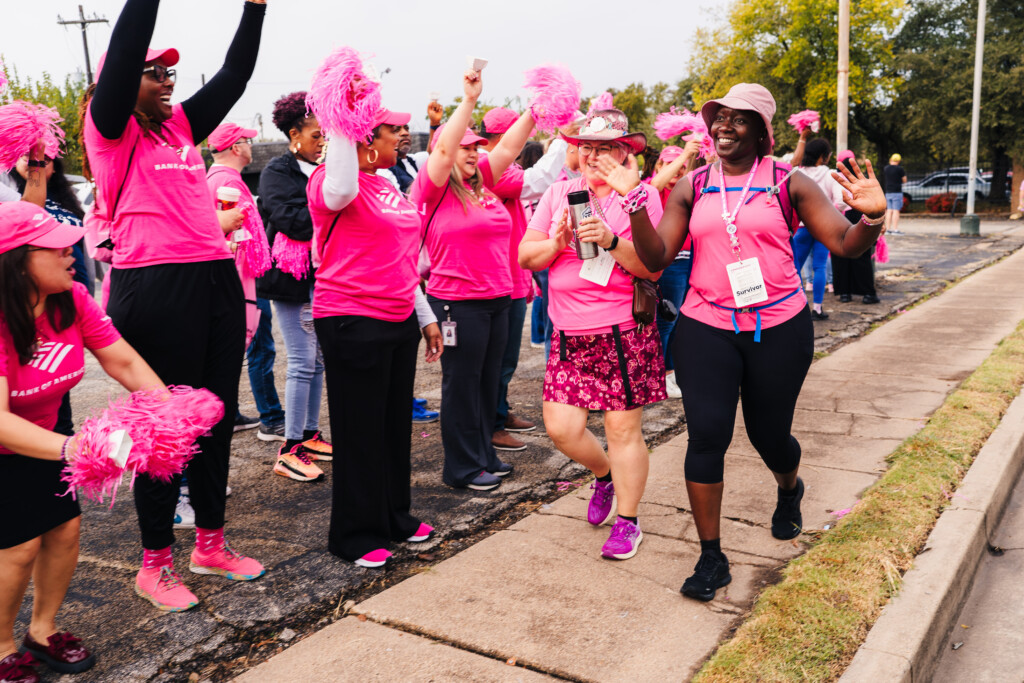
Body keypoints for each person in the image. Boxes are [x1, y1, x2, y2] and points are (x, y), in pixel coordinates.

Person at [597, 83, 886, 600]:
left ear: (761, 130)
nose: (723, 126)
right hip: (707, 325)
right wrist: (636, 203)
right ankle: (711, 557)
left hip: (777, 327)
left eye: (738, 118)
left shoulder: (788, 182)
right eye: (719, 117)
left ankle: (789, 488)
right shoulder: (693, 184)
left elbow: (845, 243)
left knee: (769, 435)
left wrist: (872, 217)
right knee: (707, 437)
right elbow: (658, 257)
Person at [81, 0, 267, 612]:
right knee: (163, 433)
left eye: (171, 74)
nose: (166, 82)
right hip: (154, 289)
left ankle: (209, 544)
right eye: (153, 72)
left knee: (213, 417)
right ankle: (154, 564)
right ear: (121, 80)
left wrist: (255, 9)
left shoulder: (180, 128)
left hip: (213, 279)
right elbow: (128, 43)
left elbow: (234, 78)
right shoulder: (110, 131)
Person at [0, 197, 167, 682]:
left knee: (65, 531)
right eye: (54, 247)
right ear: (16, 264)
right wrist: (74, 449)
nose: (73, 251)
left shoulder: (71, 299)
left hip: (48, 431)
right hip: (9, 441)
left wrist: (170, 413)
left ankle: (42, 630)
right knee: (17, 547)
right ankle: (2, 646)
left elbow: (125, 362)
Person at [519, 108, 667, 561]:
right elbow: (527, 257)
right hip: (568, 334)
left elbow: (651, 268)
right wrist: (556, 243)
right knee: (561, 429)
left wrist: (609, 240)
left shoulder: (640, 197)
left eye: (606, 148)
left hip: (622, 331)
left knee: (623, 430)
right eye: (587, 147)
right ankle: (603, 475)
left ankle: (628, 521)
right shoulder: (559, 193)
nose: (594, 156)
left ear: (625, 153)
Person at [307, 103, 444, 568]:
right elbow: (342, 183)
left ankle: (393, 517)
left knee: (390, 428)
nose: (403, 136)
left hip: (398, 316)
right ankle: (354, 533)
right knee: (359, 429)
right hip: (350, 318)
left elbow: (403, 260)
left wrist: (424, 316)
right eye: (393, 131)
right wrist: (340, 111)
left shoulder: (387, 185)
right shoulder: (330, 184)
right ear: (365, 141)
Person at [410, 68, 534, 492]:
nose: (471, 152)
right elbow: (444, 149)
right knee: (462, 385)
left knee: (486, 382)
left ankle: (484, 454)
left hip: (498, 298)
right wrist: (468, 101)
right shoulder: (435, 187)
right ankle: (461, 467)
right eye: (464, 147)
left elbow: (513, 144)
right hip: (458, 302)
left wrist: (538, 108)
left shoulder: (483, 183)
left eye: (476, 147)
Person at [477, 107, 568, 452]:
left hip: (510, 272)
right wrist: (562, 141)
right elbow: (536, 183)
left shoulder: (500, 166)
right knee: (497, 358)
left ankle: (499, 411)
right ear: (502, 139)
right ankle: (492, 423)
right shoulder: (488, 168)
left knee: (507, 356)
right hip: (497, 274)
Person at [257, 92, 331, 482]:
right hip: (290, 280)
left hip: (321, 277)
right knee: (302, 362)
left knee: (317, 360)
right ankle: (289, 449)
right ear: (294, 134)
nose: (324, 142)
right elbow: (293, 221)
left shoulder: (323, 168)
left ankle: (310, 433)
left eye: (327, 135)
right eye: (317, 135)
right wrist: (326, 209)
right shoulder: (277, 172)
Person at [206, 123, 287, 438]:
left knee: (241, 349)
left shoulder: (213, 179)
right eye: (248, 142)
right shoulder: (228, 182)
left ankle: (234, 413)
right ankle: (271, 418)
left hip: (234, 275)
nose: (252, 147)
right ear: (236, 147)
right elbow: (237, 234)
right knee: (261, 348)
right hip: (244, 276)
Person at [10, 154, 94, 434]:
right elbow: (26, 219)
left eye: (48, 160)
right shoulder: (7, 191)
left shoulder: (61, 198)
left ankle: (60, 443)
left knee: (56, 388)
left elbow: (32, 213)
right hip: (20, 299)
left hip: (63, 297)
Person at [647, 141, 703, 398]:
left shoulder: (684, 187)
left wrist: (691, 159)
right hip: (669, 263)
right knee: (667, 321)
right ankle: (663, 374)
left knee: (679, 318)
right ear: (659, 166)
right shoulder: (652, 188)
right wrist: (682, 157)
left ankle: (671, 371)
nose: (676, 173)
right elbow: (655, 185)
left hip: (689, 258)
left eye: (679, 169)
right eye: (668, 165)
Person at [793, 138, 844, 321]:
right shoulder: (830, 174)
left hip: (801, 227)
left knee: (794, 267)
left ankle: (798, 307)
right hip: (824, 227)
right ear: (823, 156)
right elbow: (842, 202)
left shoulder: (797, 172)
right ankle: (818, 308)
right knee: (820, 266)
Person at [832, 151, 880, 304]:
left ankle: (844, 293)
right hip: (858, 215)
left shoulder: (833, 177)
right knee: (862, 255)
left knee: (840, 253)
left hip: (838, 216)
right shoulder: (861, 178)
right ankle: (868, 293)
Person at [882, 153, 906, 235]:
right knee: (896, 211)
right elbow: (904, 180)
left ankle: (888, 229)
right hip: (897, 191)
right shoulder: (900, 169)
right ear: (898, 161)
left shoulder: (886, 168)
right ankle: (895, 229)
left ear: (891, 159)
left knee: (889, 210)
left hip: (888, 192)